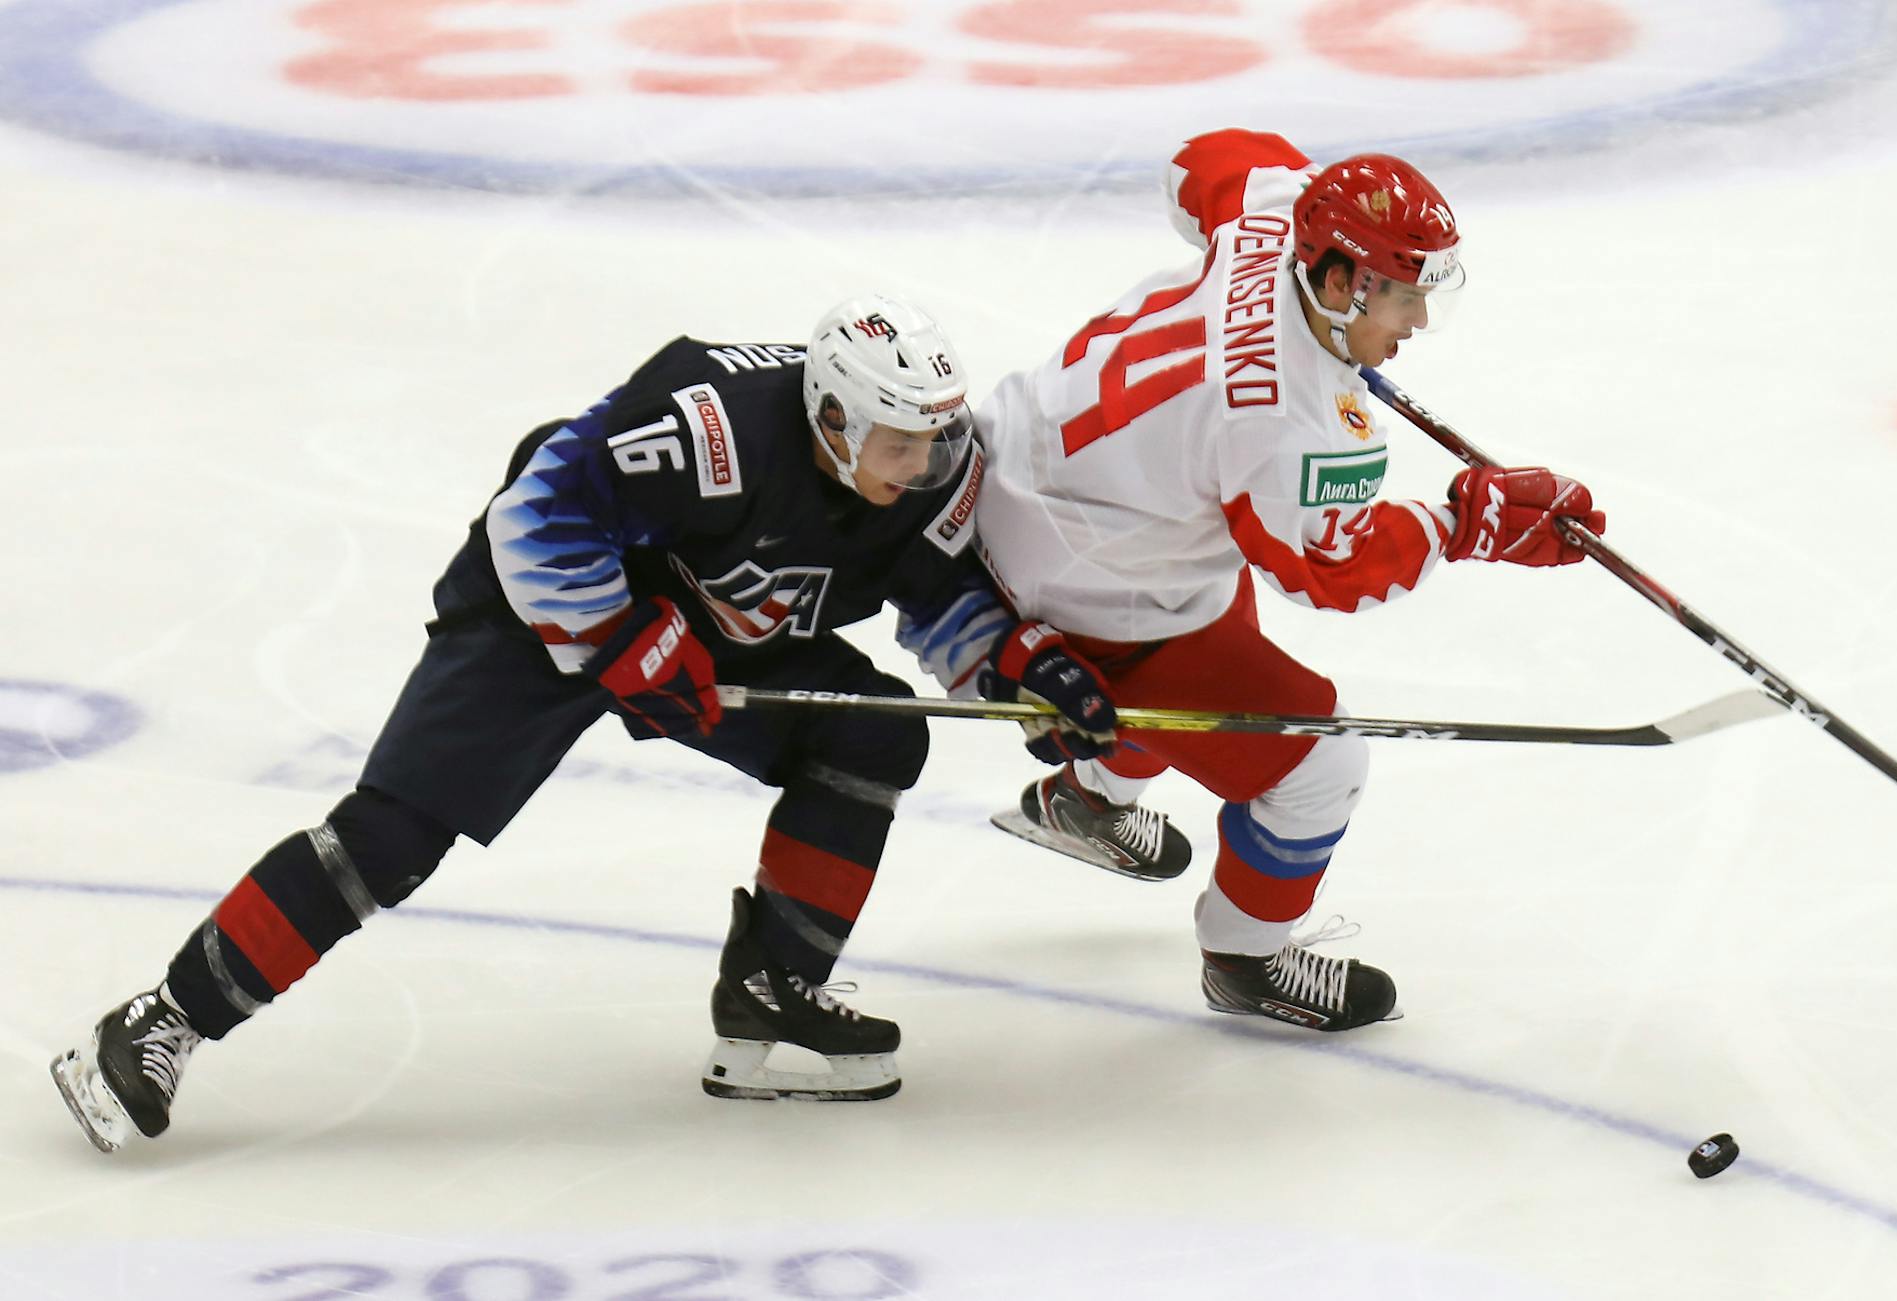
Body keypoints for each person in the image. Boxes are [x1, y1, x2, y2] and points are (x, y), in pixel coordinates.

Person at [51, 294, 1120, 1150]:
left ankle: (774, 985)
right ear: (831, 418)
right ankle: (161, 1019)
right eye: (902, 444)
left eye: (933, 443)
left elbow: (937, 591)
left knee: (875, 732)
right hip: (546, 614)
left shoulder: (918, 463)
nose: (928, 466)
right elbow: (539, 511)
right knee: (391, 838)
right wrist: (621, 637)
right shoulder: (711, 424)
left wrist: (1024, 667)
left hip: (707, 624)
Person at [961, 129, 1607, 1032]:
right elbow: (1328, 570)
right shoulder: (1294, 429)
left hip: (1004, 470)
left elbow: (1203, 159)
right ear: (1340, 281)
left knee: (1211, 595)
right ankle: (1246, 951)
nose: (1416, 323)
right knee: (1319, 763)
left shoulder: (1278, 215)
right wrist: (1466, 522)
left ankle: (1089, 796)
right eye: (1404, 297)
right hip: (1071, 577)